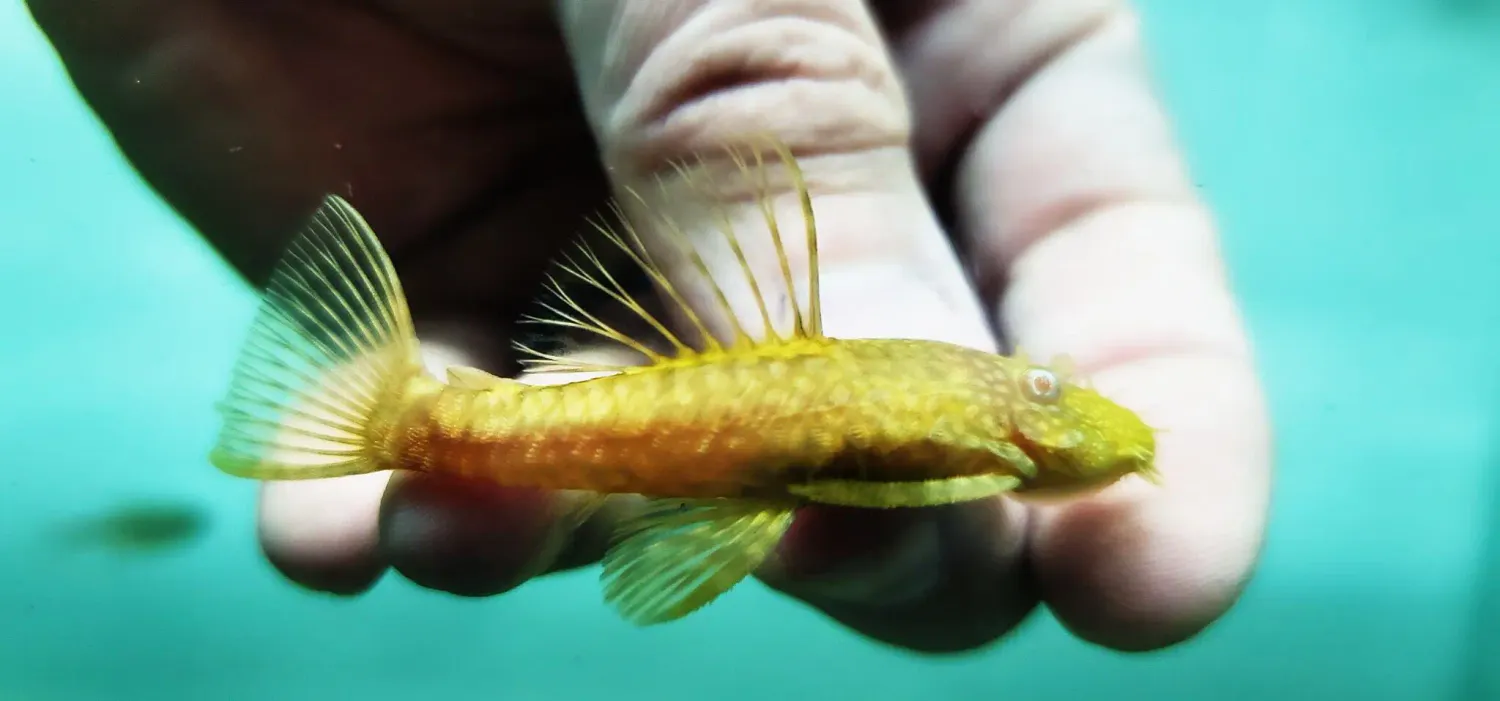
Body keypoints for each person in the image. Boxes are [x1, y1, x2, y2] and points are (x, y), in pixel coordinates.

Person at [27, 0, 1271, 653]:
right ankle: (411, 423)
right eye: (1043, 386)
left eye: (1046, 389)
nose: (1048, 394)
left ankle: (413, 422)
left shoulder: (1008, 440)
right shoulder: (991, 424)